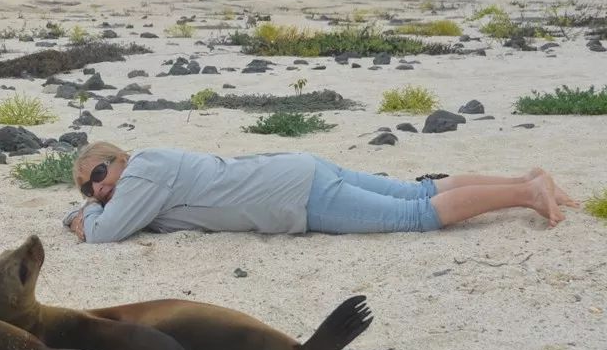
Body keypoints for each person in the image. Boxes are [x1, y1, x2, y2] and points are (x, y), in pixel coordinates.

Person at [64, 141, 578, 244]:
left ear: (119, 158)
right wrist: (92, 208)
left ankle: (526, 197)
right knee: (416, 191)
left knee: (416, 217)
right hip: (296, 172)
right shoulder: (149, 172)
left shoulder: (141, 174)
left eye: (100, 170)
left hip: (291, 193)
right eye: (90, 186)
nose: (99, 184)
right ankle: (523, 181)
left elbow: (106, 235)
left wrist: (80, 217)